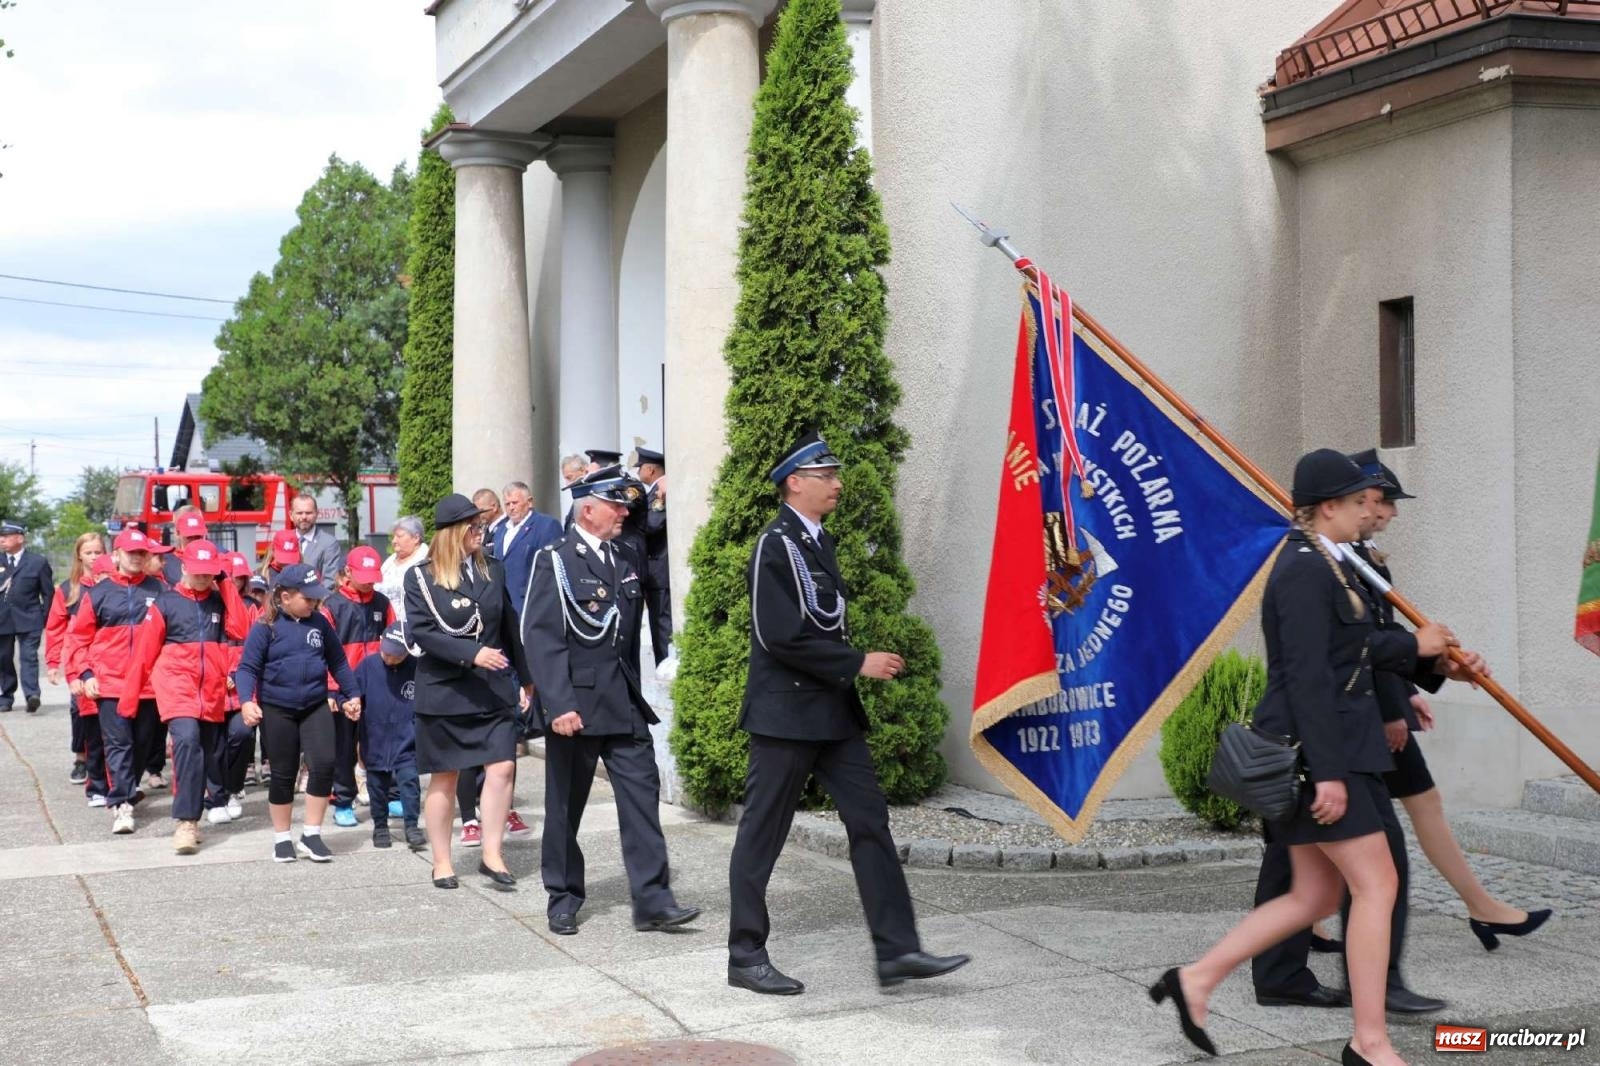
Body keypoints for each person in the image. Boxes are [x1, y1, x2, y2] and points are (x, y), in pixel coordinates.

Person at [1150, 449, 1466, 1066]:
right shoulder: (1302, 569)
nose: (1367, 511)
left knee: (1314, 898)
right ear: (1328, 508)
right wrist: (1327, 774)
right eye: (1356, 502)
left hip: (1336, 748)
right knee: (1377, 884)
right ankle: (1369, 1042)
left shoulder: (1333, 564)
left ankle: (1194, 981)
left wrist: (1428, 657)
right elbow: (1306, 676)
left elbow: (1358, 649)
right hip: (1318, 755)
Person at [725, 432, 969, 995]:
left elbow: (820, 621)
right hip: (785, 715)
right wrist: (857, 661)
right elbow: (778, 634)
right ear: (795, 482)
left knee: (869, 822)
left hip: (832, 714)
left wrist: (847, 669)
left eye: (836, 474)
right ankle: (745, 954)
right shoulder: (776, 543)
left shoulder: (818, 542)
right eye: (825, 475)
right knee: (763, 834)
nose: (837, 484)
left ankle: (898, 951)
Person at [1349, 453, 1550, 951]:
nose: (1392, 512)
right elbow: (1359, 648)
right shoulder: (1340, 560)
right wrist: (1391, 711)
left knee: (1395, 810)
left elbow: (1387, 638)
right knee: (1370, 821)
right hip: (1363, 714)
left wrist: (1415, 687)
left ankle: (1302, 926)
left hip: (1381, 703)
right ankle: (1479, 907)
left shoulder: (1364, 555)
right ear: (1366, 498)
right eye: (1388, 501)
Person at [523, 468, 698, 936]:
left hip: (622, 702)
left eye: (625, 505)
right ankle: (562, 895)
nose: (624, 512)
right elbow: (540, 637)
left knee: (642, 798)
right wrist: (558, 705)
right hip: (575, 709)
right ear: (588, 509)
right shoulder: (555, 560)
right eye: (615, 505)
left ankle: (653, 898)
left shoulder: (623, 559)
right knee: (565, 808)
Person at [404, 493, 532, 890]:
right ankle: (442, 861)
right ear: (455, 533)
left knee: (503, 767)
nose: (482, 532)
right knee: (444, 777)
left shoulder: (493, 569)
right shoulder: (420, 577)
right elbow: (423, 631)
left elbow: (509, 625)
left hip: (491, 689)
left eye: (483, 526)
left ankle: (492, 853)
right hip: (445, 690)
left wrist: (527, 678)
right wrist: (473, 654)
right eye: (475, 527)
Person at [120, 539, 249, 855]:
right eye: (199, 571)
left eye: (210, 572)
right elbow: (144, 655)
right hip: (177, 689)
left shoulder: (221, 602)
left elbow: (241, 630)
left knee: (206, 754)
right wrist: (130, 698)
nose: (204, 578)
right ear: (185, 568)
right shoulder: (166, 604)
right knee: (188, 742)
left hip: (212, 693)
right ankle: (186, 823)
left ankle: (194, 814)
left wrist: (226, 584)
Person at [235, 563, 362, 864]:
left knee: (324, 764)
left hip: (314, 704)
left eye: (316, 597)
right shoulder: (265, 627)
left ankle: (312, 834)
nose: (314, 603)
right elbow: (247, 668)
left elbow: (338, 662)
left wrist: (351, 694)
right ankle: (282, 838)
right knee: (283, 773)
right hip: (278, 708)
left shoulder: (319, 623)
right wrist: (245, 701)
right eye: (308, 598)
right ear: (285, 596)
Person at [64, 527, 170, 835]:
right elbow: (79, 638)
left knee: (143, 744)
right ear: (117, 555)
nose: (137, 558)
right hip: (110, 684)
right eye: (131, 552)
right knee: (118, 743)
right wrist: (85, 673)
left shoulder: (161, 591)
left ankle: (128, 786)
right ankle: (122, 803)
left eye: (141, 553)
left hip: (149, 686)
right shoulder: (98, 593)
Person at [323, 545, 395, 828]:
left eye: (372, 576)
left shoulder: (382, 602)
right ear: (348, 573)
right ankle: (343, 801)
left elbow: (394, 639)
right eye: (363, 575)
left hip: (378, 686)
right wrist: (331, 690)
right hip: (343, 690)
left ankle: (390, 796)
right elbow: (324, 653)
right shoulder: (332, 606)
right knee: (343, 748)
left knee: (382, 743)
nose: (369, 582)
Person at [355, 621, 425, 850]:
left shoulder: (417, 668)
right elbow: (351, 692)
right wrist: (347, 702)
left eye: (396, 655)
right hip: (375, 738)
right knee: (377, 786)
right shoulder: (368, 666)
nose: (389, 658)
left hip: (407, 739)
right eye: (386, 652)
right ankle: (380, 826)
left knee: (409, 782)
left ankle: (412, 825)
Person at [46, 533, 108, 785]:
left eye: (98, 552)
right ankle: (81, 758)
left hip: (107, 660)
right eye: (89, 552)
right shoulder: (67, 590)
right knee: (79, 709)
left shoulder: (112, 584)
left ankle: (106, 764)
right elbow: (55, 628)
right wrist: (52, 664)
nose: (94, 557)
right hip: (78, 660)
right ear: (79, 555)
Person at [204, 552, 260, 825]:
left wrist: (236, 674)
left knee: (242, 735)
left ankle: (233, 787)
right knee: (213, 745)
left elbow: (252, 645)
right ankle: (217, 795)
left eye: (236, 577)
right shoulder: (202, 604)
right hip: (210, 689)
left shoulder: (249, 606)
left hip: (240, 689)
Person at [0, 518, 55, 714]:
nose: (2, 540)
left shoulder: (37, 562)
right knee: (3, 658)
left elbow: (48, 593)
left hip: (30, 618)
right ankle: (6, 697)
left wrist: (46, 619)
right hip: (2, 619)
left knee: (29, 657)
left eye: (6, 536)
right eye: (1, 536)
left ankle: (32, 695)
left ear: (20, 538)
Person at [626, 448, 671, 664]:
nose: (638, 472)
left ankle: (666, 666)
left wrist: (660, 501)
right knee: (657, 624)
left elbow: (654, 524)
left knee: (662, 625)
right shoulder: (653, 490)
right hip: (654, 570)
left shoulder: (660, 490)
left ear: (651, 469)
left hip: (659, 570)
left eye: (640, 467)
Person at [377, 516, 429, 622]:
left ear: (416, 538)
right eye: (393, 537)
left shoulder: (426, 562)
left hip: (413, 625)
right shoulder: (389, 562)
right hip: (385, 624)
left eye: (399, 536)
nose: (394, 541)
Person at [289, 493, 343, 579]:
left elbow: (330, 581)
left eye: (308, 513)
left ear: (317, 514)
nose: (304, 517)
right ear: (291, 515)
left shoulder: (329, 544)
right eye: (299, 513)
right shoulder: (284, 540)